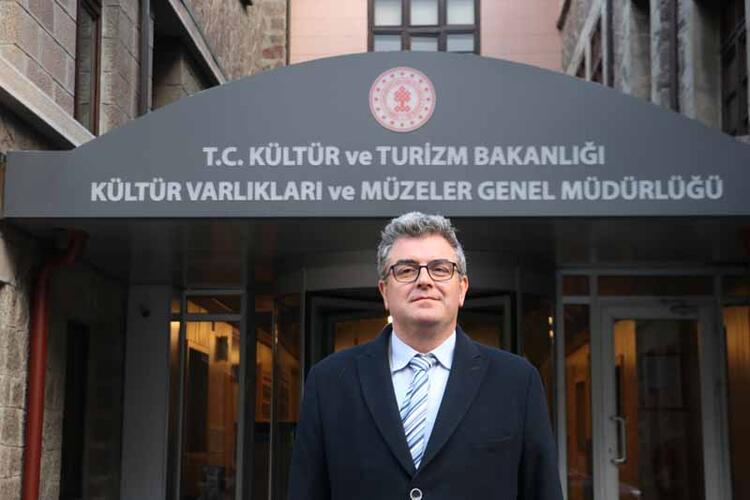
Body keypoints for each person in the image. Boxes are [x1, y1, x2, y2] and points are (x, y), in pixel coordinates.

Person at [288, 212, 563, 500]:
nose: (424, 280)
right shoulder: (329, 381)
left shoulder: (517, 382)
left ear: (462, 289)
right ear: (384, 291)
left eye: (440, 269)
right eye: (406, 270)